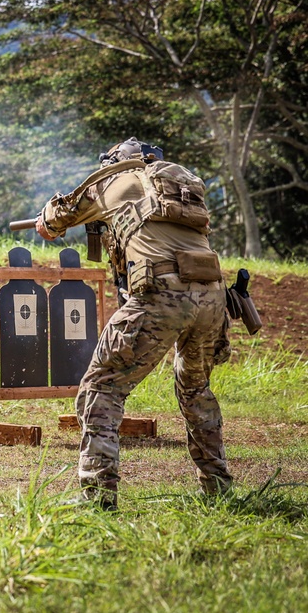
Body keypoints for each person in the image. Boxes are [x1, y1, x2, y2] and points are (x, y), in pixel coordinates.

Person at [35, 138, 233, 509]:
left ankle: (97, 496)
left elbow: (51, 224)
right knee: (195, 390)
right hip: (212, 298)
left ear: (114, 163)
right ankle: (218, 488)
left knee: (101, 388)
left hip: (160, 294)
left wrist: (47, 217)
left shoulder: (112, 180)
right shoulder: (181, 187)